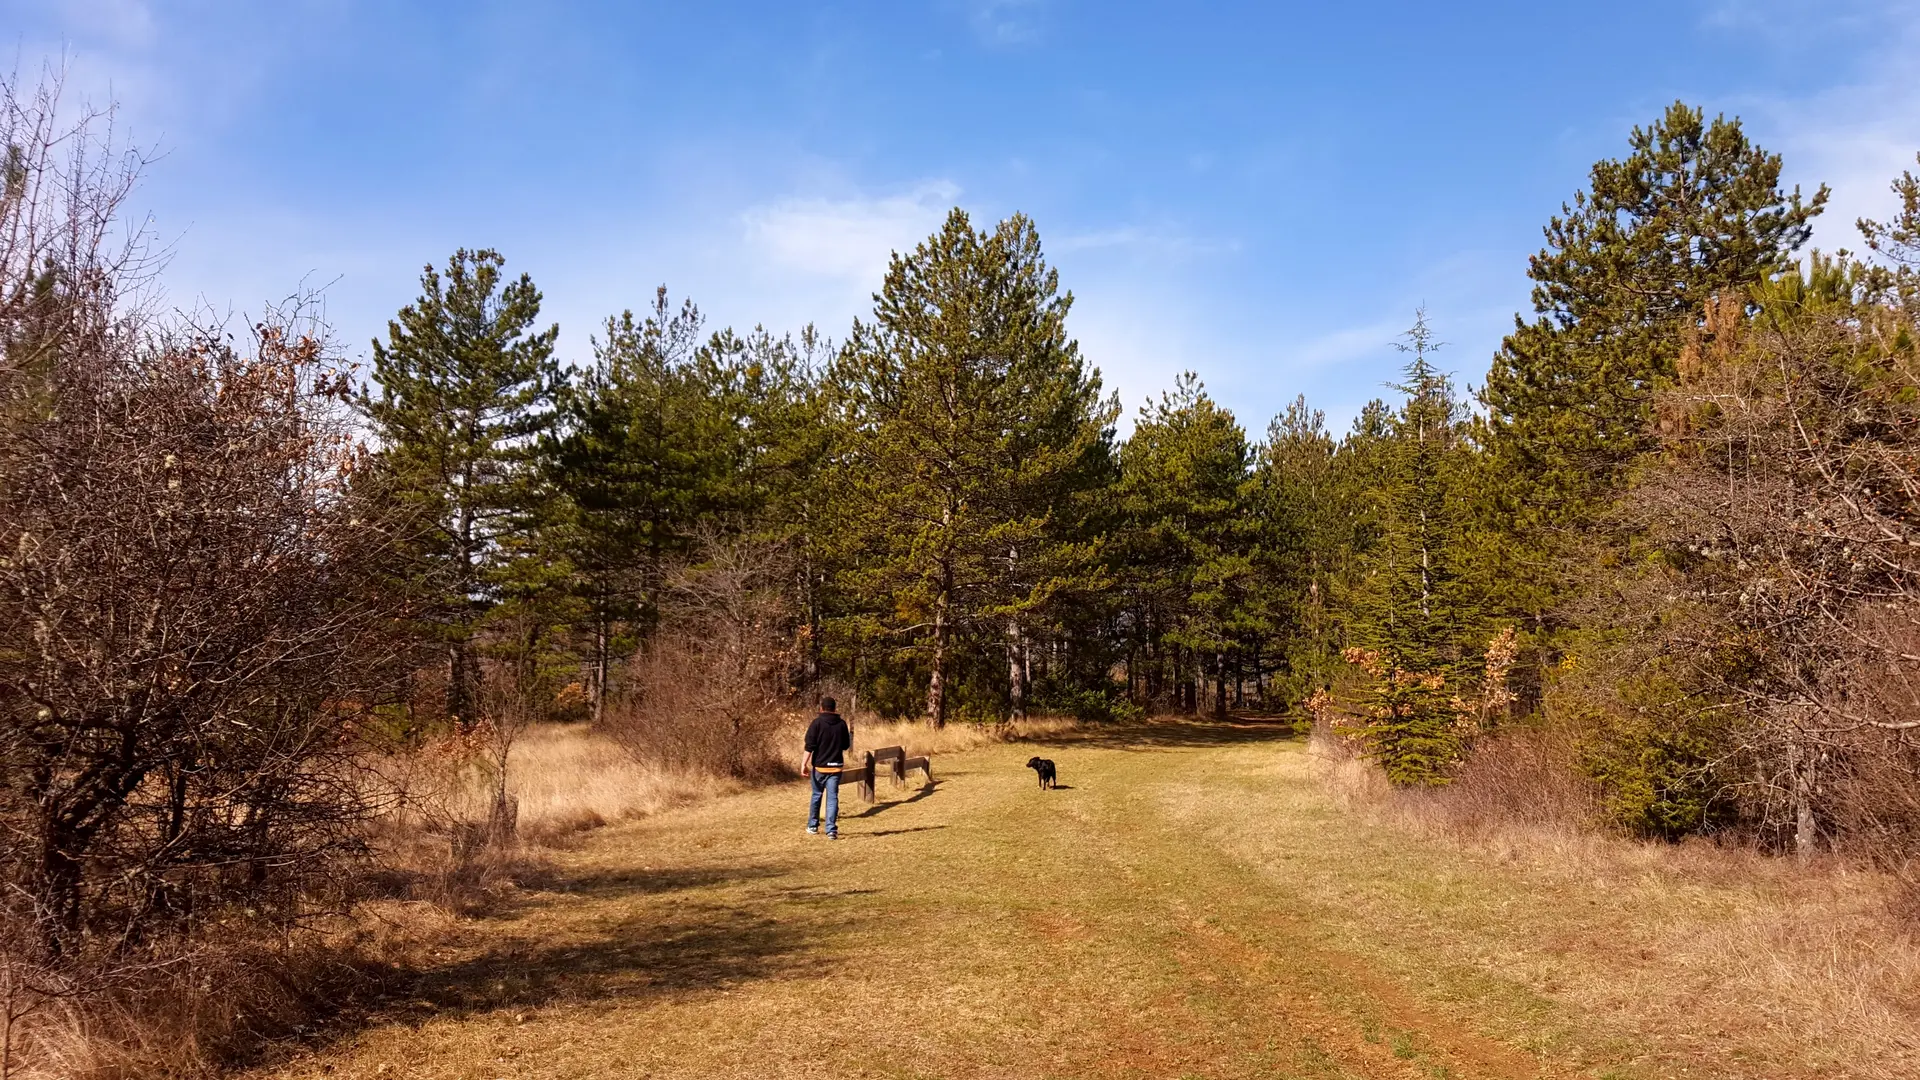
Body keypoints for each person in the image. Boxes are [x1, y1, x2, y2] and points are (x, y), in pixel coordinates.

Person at [802, 697, 852, 839]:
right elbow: (846, 745)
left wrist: (803, 764)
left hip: (819, 767)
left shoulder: (816, 723)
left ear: (821, 708)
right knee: (832, 798)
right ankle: (831, 830)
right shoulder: (842, 724)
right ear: (835, 709)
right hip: (836, 767)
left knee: (817, 795)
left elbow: (809, 746)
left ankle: (812, 825)